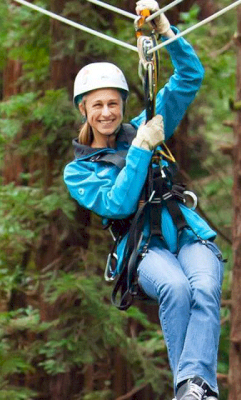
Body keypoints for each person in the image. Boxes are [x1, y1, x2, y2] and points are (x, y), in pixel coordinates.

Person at [64, 1, 223, 399]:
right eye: (97, 105)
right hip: (142, 248)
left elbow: (189, 77)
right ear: (83, 109)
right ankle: (193, 385)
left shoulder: (146, 124)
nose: (107, 112)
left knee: (204, 286)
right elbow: (117, 204)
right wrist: (139, 149)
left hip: (185, 232)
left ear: (122, 104)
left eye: (113, 103)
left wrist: (167, 32)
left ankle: (193, 388)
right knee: (176, 288)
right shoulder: (79, 170)